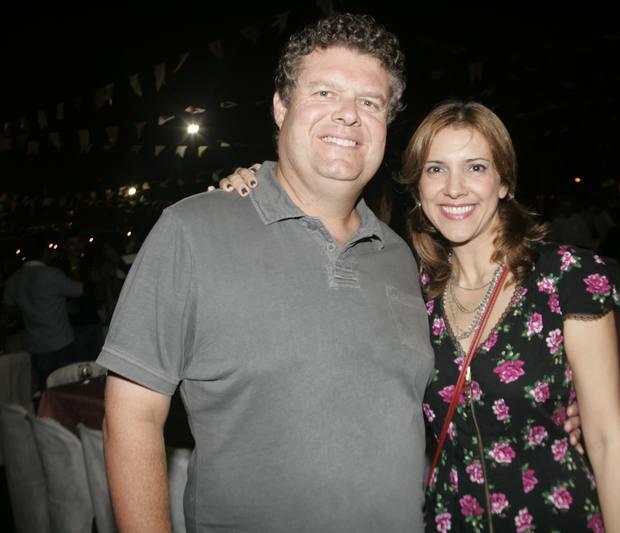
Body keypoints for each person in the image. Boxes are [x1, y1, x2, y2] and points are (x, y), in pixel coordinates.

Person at [222, 102, 620, 531]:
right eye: (436, 169)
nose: (454, 189)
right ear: (418, 188)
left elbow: (607, 439)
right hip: (450, 519)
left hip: (557, 516)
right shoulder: (409, 290)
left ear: (503, 183)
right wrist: (261, 188)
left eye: (476, 167)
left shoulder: (565, 276)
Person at [99, 14, 434, 532]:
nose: (348, 115)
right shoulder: (193, 230)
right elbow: (131, 416)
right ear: (281, 106)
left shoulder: (398, 255)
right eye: (324, 92)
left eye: (370, 103)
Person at [3, 235, 84, 388]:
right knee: (71, 387)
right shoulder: (51, 274)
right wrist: (74, 268)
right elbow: (79, 290)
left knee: (48, 389)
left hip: (37, 345)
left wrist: (30, 309)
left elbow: (8, 308)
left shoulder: (14, 279)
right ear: (44, 253)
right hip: (61, 341)